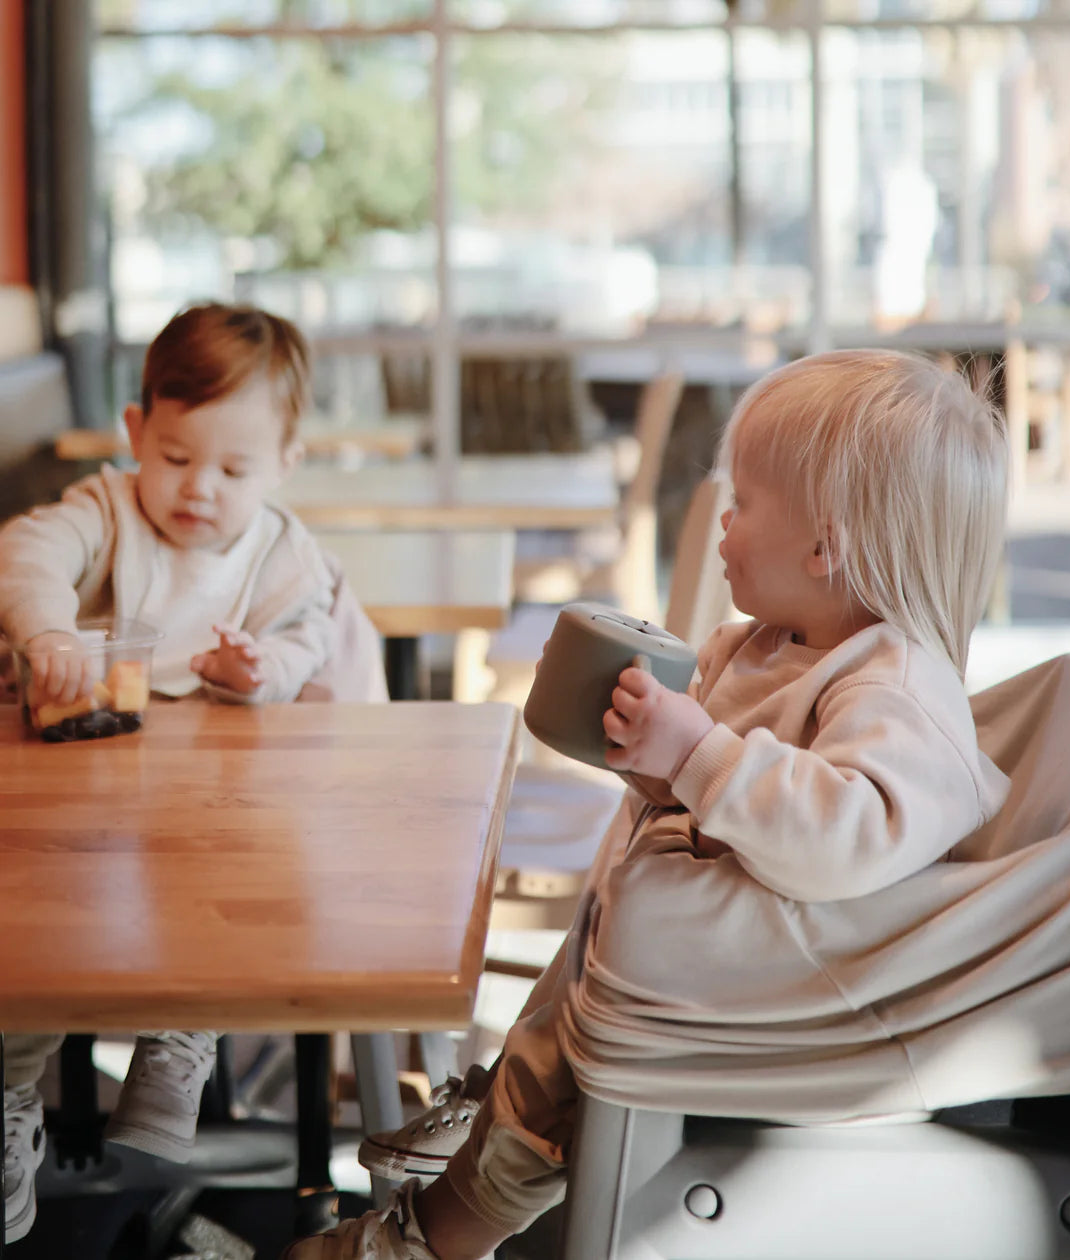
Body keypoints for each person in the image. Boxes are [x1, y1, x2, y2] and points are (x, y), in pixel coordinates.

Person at [284, 347, 1013, 1260]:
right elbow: (737, 810)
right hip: (688, 969)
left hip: (789, 1000)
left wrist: (699, 754)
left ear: (825, 546)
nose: (722, 526)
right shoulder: (774, 645)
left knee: (547, 1083)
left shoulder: (897, 684)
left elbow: (845, 837)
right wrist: (655, 765)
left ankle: (432, 1238)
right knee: (559, 1014)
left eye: (742, 505)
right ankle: (484, 1136)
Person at [0, 301, 346, 1245]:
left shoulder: (282, 553)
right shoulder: (107, 512)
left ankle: (183, 1032)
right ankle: (11, 1101)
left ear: (283, 466)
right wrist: (49, 630)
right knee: (33, 943)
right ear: (136, 433)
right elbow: (27, 552)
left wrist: (262, 670)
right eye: (177, 456)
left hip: (218, 798)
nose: (200, 489)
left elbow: (311, 634)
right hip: (90, 789)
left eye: (234, 470)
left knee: (234, 885)